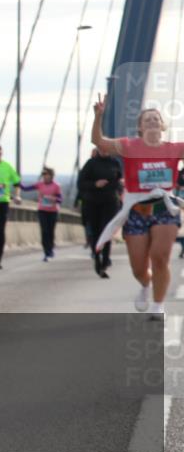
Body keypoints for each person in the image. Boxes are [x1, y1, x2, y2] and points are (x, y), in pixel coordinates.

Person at [91, 97, 183, 319]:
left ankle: (158, 306)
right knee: (139, 268)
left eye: (156, 119)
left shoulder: (174, 148)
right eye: (147, 119)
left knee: (160, 257)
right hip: (136, 212)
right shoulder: (129, 146)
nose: (152, 121)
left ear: (162, 125)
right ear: (140, 127)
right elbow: (99, 142)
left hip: (163, 210)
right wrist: (98, 116)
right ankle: (145, 284)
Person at [77, 146, 122, 277]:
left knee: (106, 231)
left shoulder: (115, 163)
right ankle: (97, 259)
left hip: (110, 202)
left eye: (106, 148)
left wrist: (116, 186)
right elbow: (81, 184)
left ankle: (105, 260)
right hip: (92, 203)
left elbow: (119, 181)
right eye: (101, 148)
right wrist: (95, 184)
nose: (104, 150)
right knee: (95, 233)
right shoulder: (91, 164)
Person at [20, 167, 62, 262]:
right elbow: (26, 188)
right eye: (44, 175)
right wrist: (17, 182)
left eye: (47, 175)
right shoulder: (40, 185)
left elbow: (60, 199)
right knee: (44, 231)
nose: (45, 177)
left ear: (51, 176)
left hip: (53, 211)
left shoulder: (56, 186)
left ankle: (50, 249)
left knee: (50, 231)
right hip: (42, 211)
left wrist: (54, 199)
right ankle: (46, 252)